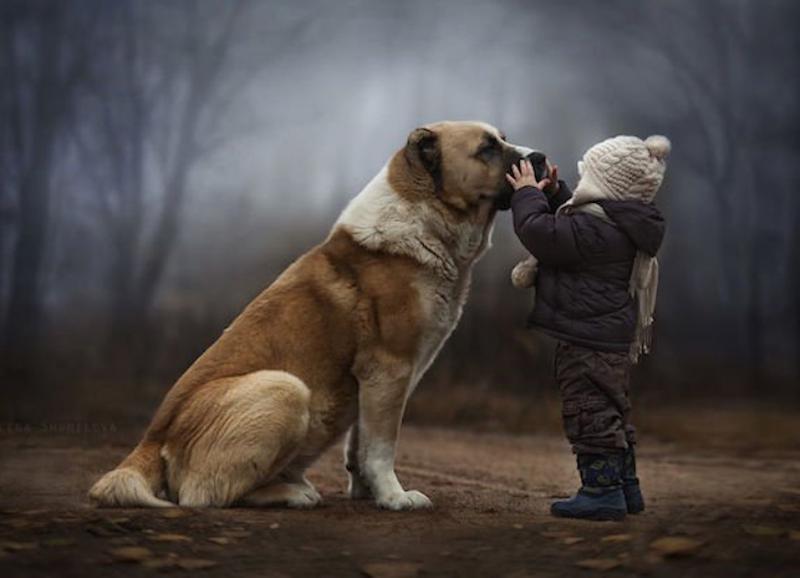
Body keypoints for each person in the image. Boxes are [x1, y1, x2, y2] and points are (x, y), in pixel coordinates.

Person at [505, 135, 669, 520]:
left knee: (589, 411)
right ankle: (626, 488)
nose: (580, 186)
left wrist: (526, 195)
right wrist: (555, 192)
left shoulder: (595, 231)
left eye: (587, 178)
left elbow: (540, 232)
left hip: (586, 339)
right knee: (611, 410)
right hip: (606, 337)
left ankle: (601, 493)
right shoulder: (617, 224)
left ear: (606, 186)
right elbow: (572, 223)